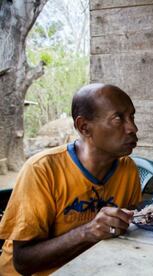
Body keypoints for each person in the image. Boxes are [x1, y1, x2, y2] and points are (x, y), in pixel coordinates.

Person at [0, 83, 142, 275]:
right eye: (118, 119)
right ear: (84, 127)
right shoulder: (42, 170)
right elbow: (23, 262)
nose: (133, 128)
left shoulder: (127, 169)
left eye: (131, 117)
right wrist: (88, 232)